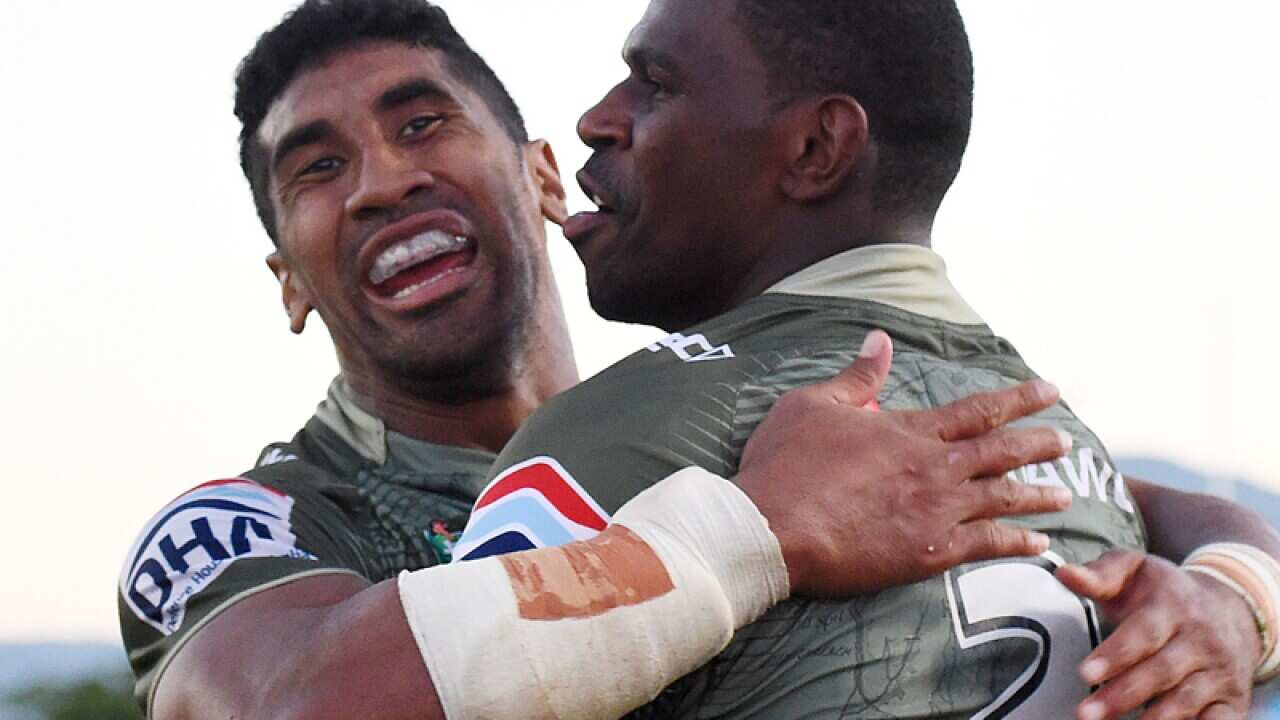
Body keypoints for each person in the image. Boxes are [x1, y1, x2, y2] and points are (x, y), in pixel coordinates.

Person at [117, 2, 1277, 719]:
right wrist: (751, 533)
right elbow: (286, 706)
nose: (382, 181)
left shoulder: (745, 412)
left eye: (422, 124)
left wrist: (1231, 602)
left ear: (540, 177)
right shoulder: (251, 522)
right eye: (316, 169)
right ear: (288, 281)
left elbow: (1150, 505)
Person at [474, 0, 1280, 719]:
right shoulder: (1078, 462)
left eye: (655, 84)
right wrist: (1245, 587)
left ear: (817, 147)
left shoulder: (620, 440)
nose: (597, 119)